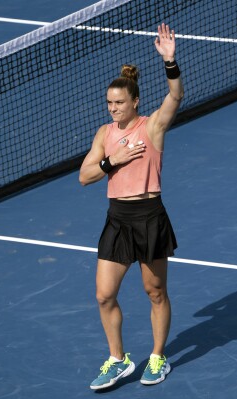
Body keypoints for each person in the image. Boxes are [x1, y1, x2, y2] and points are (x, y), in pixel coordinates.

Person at [79, 23, 184, 390]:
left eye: (119, 103)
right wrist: (114, 160)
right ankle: (118, 359)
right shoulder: (105, 135)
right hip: (118, 220)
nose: (113, 109)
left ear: (134, 102)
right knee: (104, 294)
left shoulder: (152, 127)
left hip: (150, 218)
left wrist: (169, 61)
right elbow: (85, 176)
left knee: (155, 293)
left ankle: (158, 356)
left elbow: (175, 97)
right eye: (109, 103)